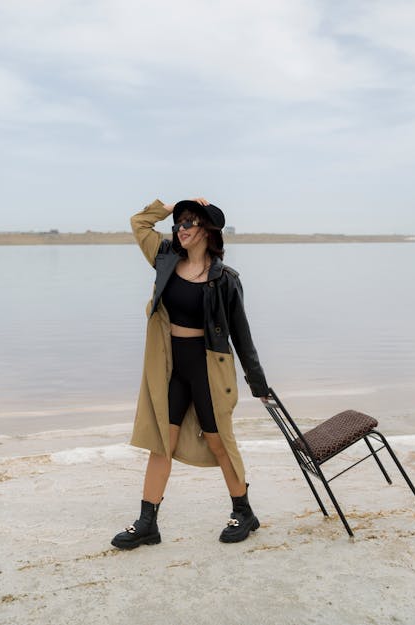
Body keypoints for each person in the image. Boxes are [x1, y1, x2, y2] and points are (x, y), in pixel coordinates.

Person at [111, 197, 269, 550]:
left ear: (206, 231)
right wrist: (168, 207)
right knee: (160, 445)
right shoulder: (165, 258)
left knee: (218, 442)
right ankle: (147, 522)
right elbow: (139, 223)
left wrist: (258, 382)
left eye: (188, 223)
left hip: (209, 369)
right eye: (178, 223)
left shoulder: (224, 279)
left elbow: (241, 335)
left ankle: (243, 511)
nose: (180, 229)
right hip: (172, 367)